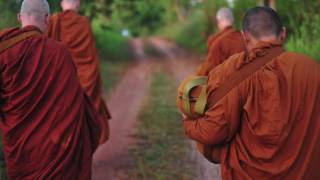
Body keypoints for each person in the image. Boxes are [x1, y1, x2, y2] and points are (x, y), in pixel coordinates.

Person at [182, 7, 320, 179]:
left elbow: (213, 131)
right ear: (283, 34)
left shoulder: (234, 70)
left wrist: (188, 124)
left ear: (245, 37)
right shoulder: (313, 70)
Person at [0, 0, 102, 179]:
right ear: (47, 19)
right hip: (54, 150)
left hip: (19, 145)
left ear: (19, 18)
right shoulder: (60, 52)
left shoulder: (4, 49)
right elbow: (72, 105)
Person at [46, 0, 111, 144]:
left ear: (62, 4)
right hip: (85, 77)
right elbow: (91, 56)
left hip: (62, 78)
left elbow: (46, 49)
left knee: (63, 117)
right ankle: (84, 148)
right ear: (78, 4)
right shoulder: (83, 23)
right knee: (84, 115)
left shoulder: (54, 21)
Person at [196, 7, 245, 76]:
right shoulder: (245, 37)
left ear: (218, 22)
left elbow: (210, 69)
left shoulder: (213, 40)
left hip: (226, 82)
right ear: (232, 20)